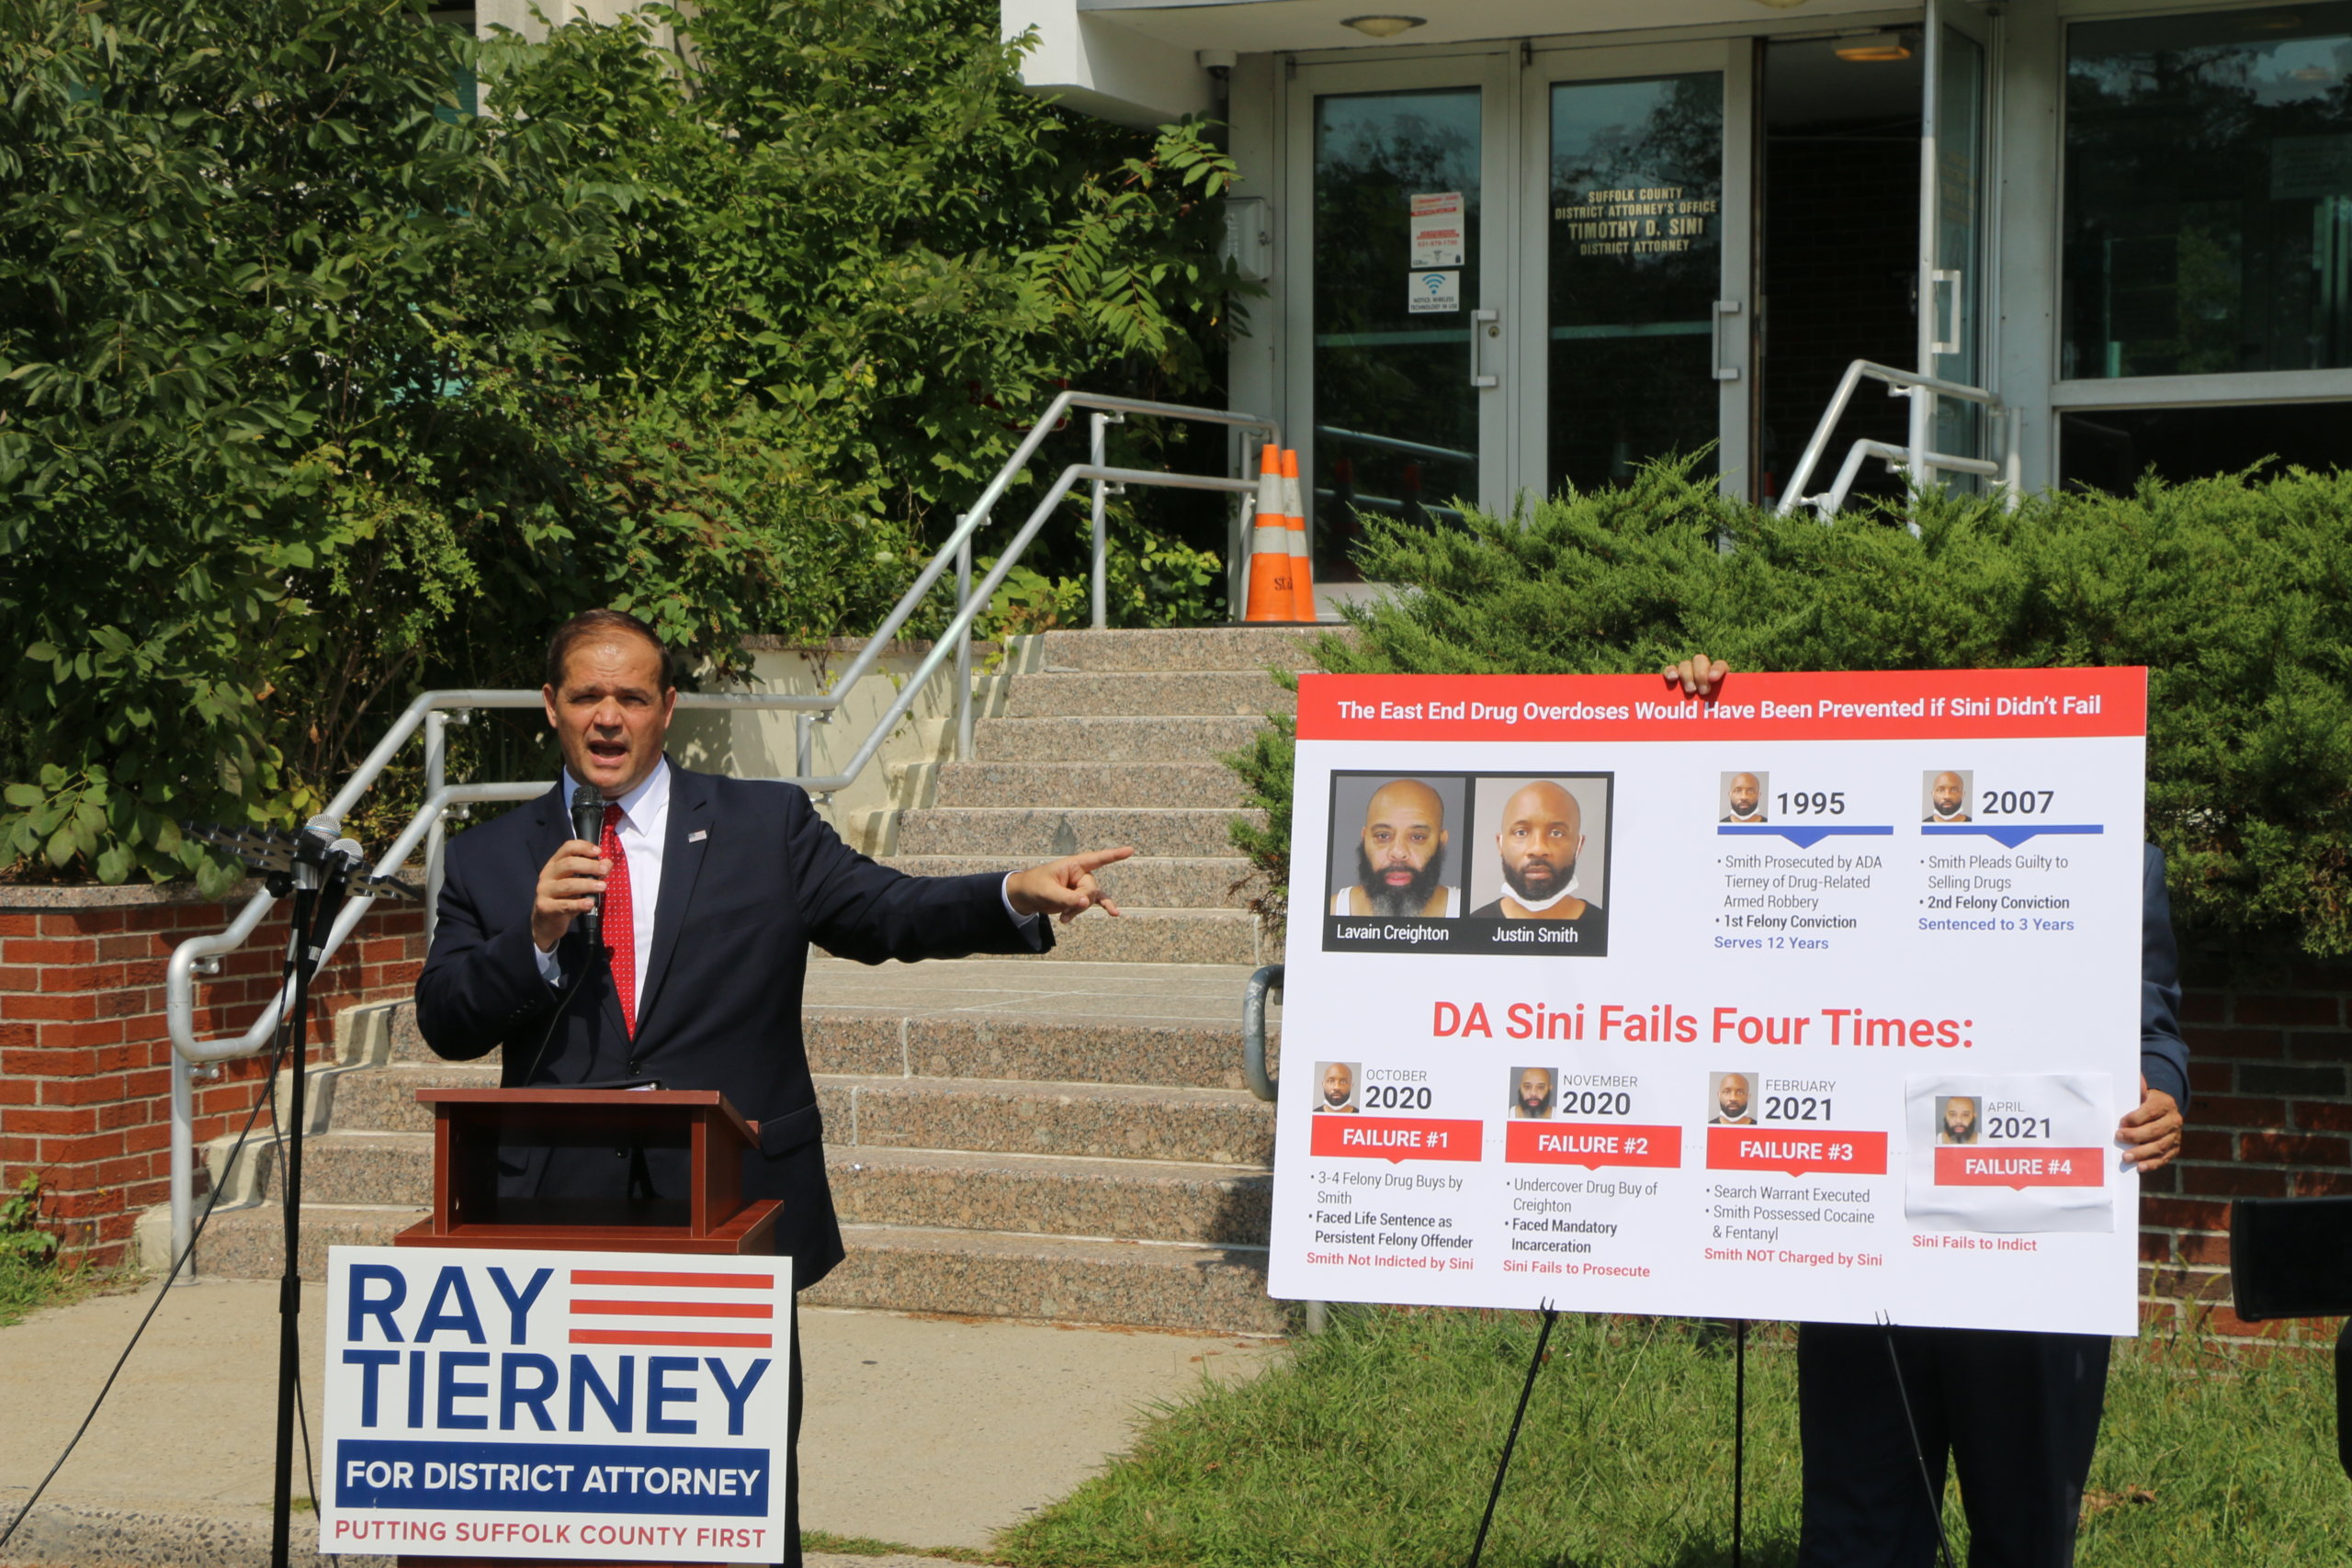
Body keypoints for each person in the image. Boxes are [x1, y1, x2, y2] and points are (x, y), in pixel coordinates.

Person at [416, 609, 1131, 1568]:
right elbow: (446, 1020)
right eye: (586, 696)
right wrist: (533, 939)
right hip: (557, 1217)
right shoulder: (490, 857)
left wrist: (1010, 892)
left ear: (668, 706)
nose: (608, 717)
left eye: (632, 696)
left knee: (732, 1505)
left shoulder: (764, 824)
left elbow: (885, 911)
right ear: (551, 706)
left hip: (728, 1204)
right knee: (570, 1510)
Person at [1661, 651, 2188, 1568]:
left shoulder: (2116, 861)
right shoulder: (1839, 852)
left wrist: (2164, 1092)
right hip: (1864, 1243)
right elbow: (1681, 875)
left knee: (2026, 1535)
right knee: (1859, 1530)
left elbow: (2154, 1028)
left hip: (2033, 1253)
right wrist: (1692, 719)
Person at [1466, 781, 1607, 942]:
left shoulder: (1606, 930)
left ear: (1578, 845)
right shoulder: (1472, 930)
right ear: (1500, 844)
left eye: (1556, 833)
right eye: (1521, 832)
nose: (1538, 849)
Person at [1330, 778, 1459, 918]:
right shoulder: (1329, 911)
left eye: (1417, 837)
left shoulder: (1465, 910)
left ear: (1441, 841)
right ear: (1364, 838)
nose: (1398, 853)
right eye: (1383, 836)